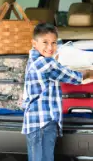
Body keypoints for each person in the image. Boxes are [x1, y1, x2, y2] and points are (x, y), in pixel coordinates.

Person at [21, 23, 93, 161]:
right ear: (34, 43)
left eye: (54, 42)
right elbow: (75, 77)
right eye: (45, 42)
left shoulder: (34, 59)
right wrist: (89, 73)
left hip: (37, 122)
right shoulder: (46, 64)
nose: (50, 47)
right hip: (43, 122)